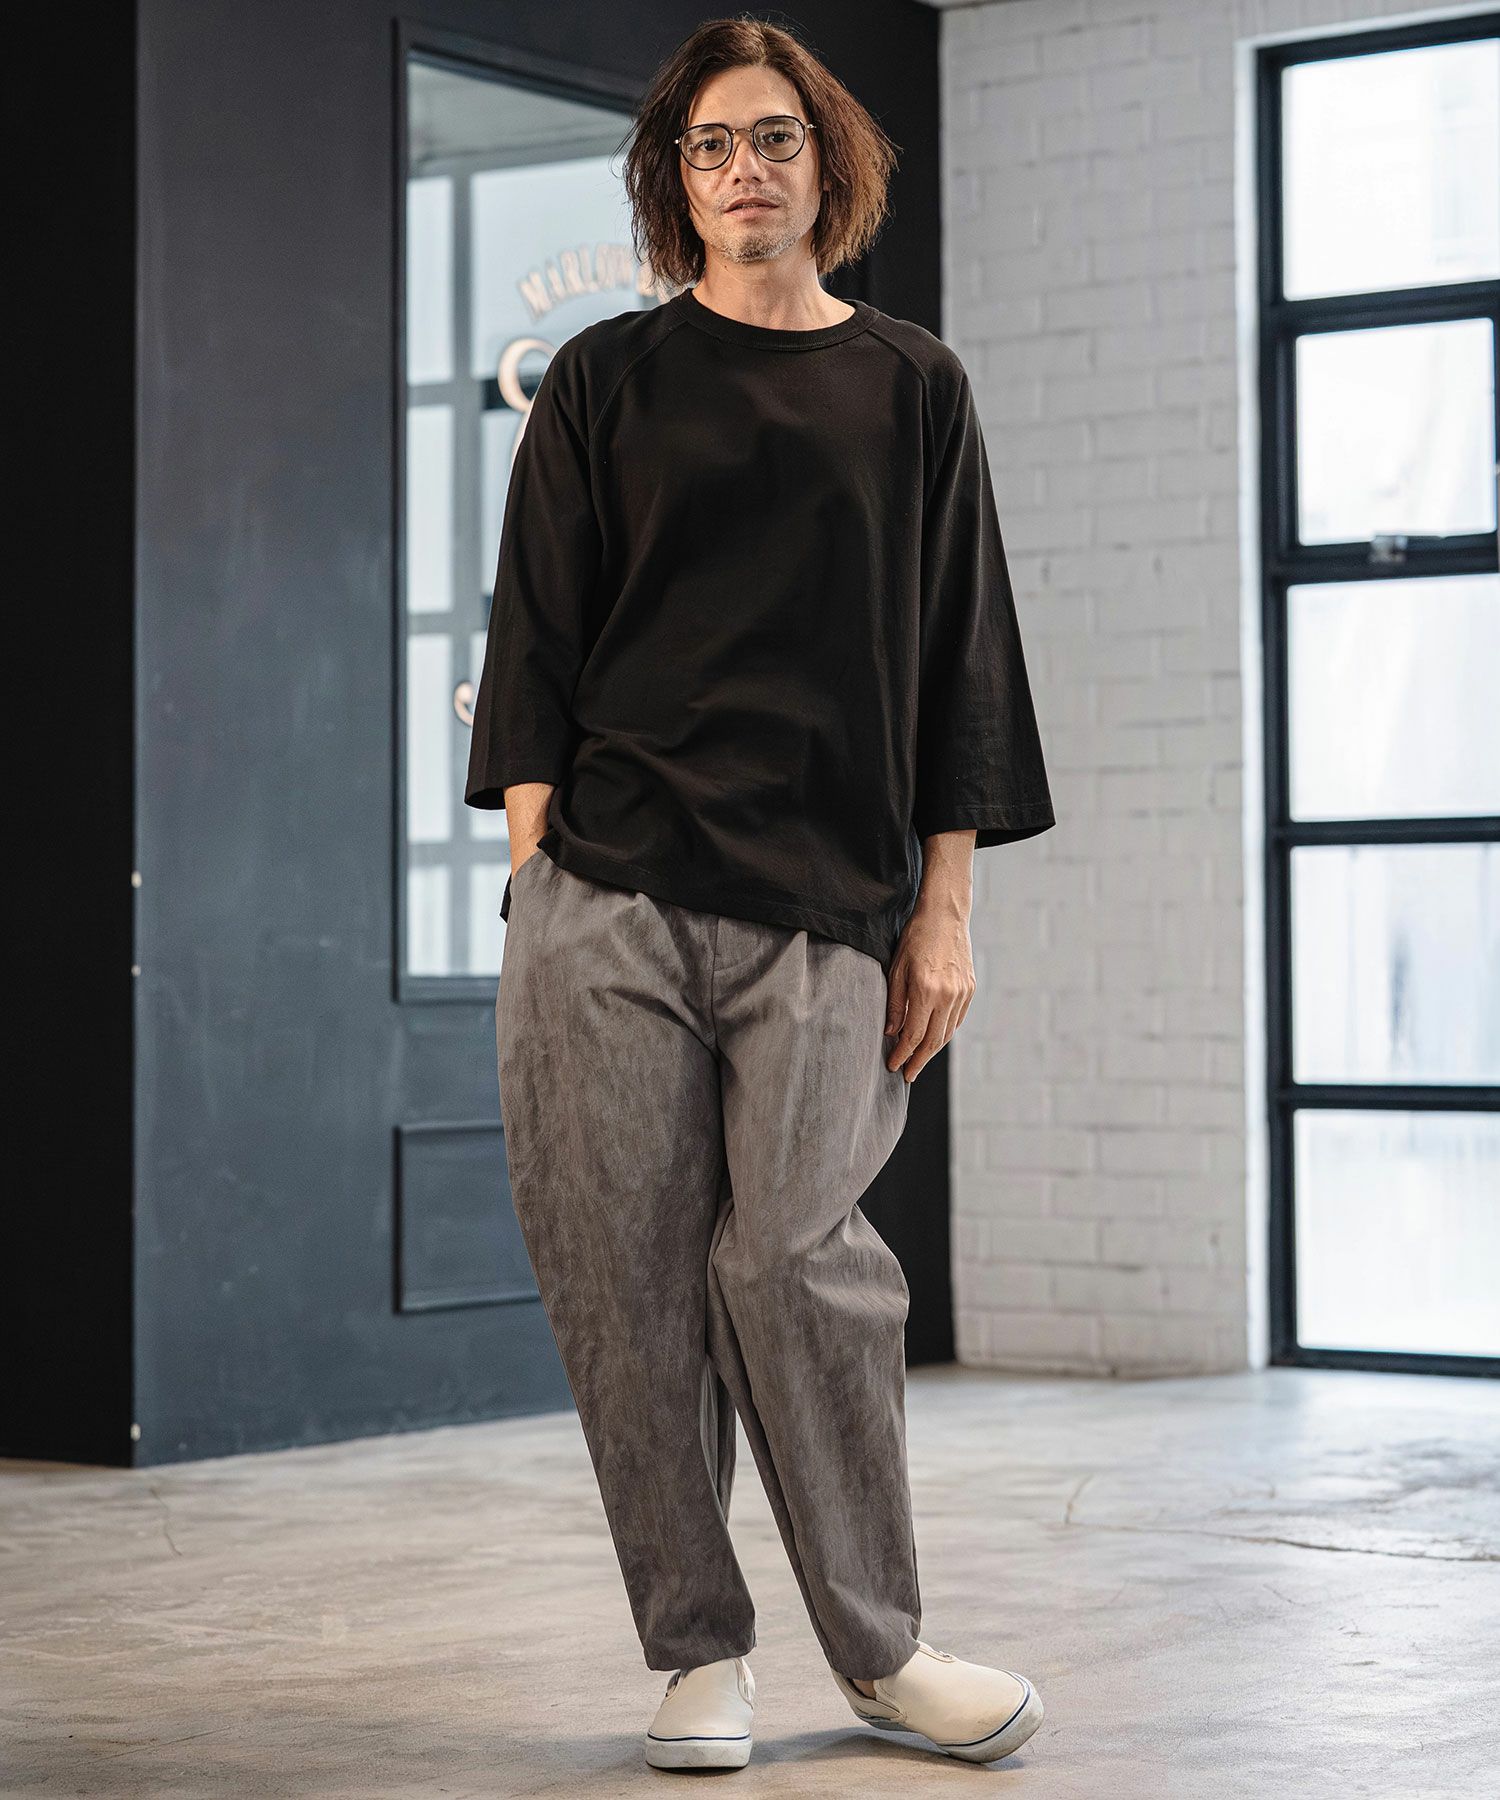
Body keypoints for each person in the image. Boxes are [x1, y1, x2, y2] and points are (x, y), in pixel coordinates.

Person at [465, 16, 1054, 1774]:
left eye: (776, 138)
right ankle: (699, 1655)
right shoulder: (605, 383)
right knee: (627, 1290)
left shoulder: (913, 386)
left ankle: (883, 1650)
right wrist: (536, 879)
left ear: (826, 161)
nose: (746, 170)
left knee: (801, 1262)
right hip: (610, 903)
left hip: (828, 907)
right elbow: (536, 638)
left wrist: (945, 913)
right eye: (713, 144)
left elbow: (964, 664)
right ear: (677, 178)